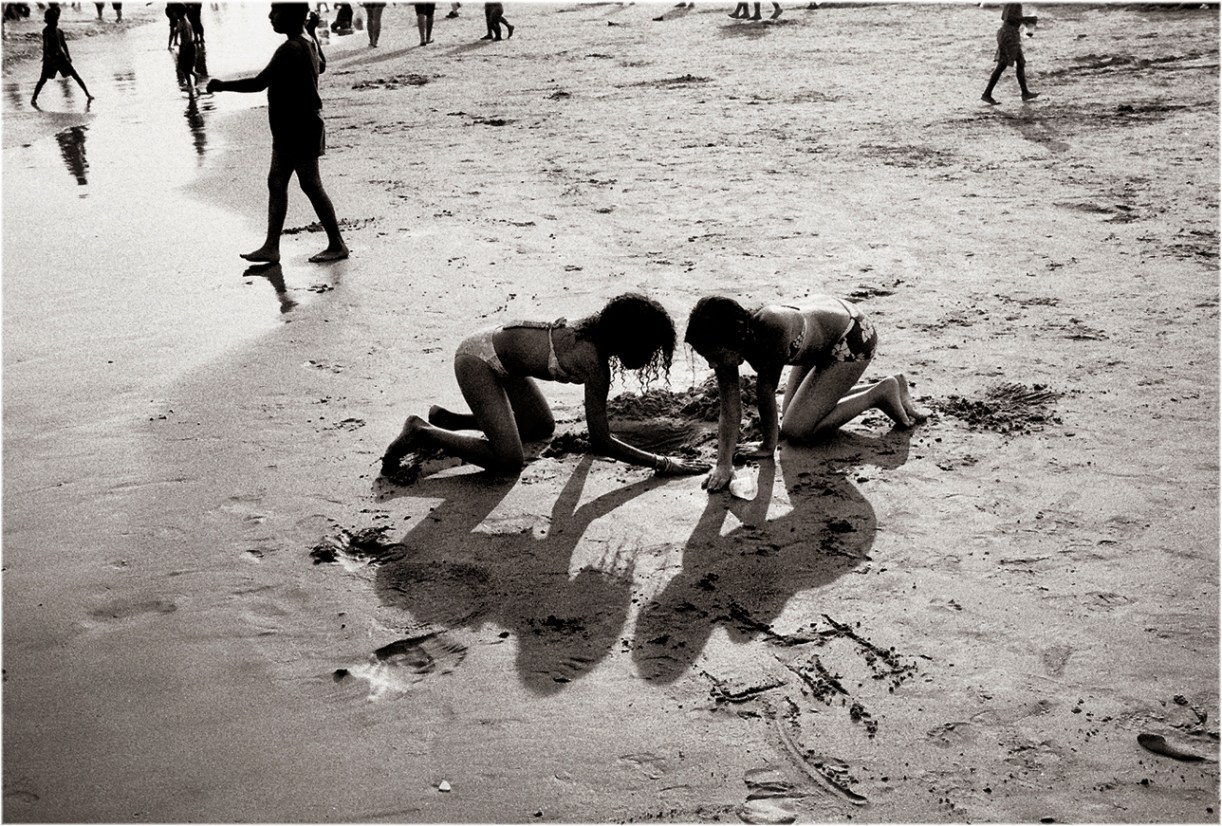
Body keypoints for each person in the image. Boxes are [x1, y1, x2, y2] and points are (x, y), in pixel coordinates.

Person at [380, 293, 710, 479]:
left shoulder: (596, 330)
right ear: (628, 339)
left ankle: (458, 420)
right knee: (508, 461)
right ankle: (421, 431)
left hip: (500, 357)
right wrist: (663, 463)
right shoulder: (593, 362)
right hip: (477, 361)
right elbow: (601, 440)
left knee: (541, 427)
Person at [684, 295, 927, 492]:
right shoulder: (728, 343)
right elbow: (729, 407)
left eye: (714, 357)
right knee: (795, 416)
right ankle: (891, 385)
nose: (712, 365)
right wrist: (723, 465)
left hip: (852, 336)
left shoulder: (771, 327)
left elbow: (765, 393)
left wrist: (768, 447)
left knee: (797, 429)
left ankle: (879, 393)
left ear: (733, 340)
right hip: (818, 338)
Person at [205, 3, 348, 264]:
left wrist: (222, 86)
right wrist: (312, 31)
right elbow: (323, 65)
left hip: (299, 127)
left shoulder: (290, 48)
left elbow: (259, 83)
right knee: (277, 182)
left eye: (276, 12)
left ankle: (337, 243)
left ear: (292, 16)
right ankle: (271, 246)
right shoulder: (306, 40)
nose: (270, 17)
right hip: (291, 128)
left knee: (311, 185)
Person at [31, 6, 92, 106]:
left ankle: (87, 94)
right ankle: (34, 98)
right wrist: (45, 56)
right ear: (48, 21)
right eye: (54, 20)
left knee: (75, 75)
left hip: (61, 57)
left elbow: (64, 44)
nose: (56, 22)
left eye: (56, 20)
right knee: (43, 79)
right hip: (51, 59)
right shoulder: (46, 31)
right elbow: (45, 45)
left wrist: (68, 56)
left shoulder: (59, 31)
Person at [982, 3, 1039, 105]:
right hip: (1009, 35)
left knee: (1020, 62)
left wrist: (1024, 19)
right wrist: (1027, 19)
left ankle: (1025, 93)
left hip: (1008, 34)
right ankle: (987, 94)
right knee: (1002, 65)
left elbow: (1004, 17)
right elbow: (1009, 18)